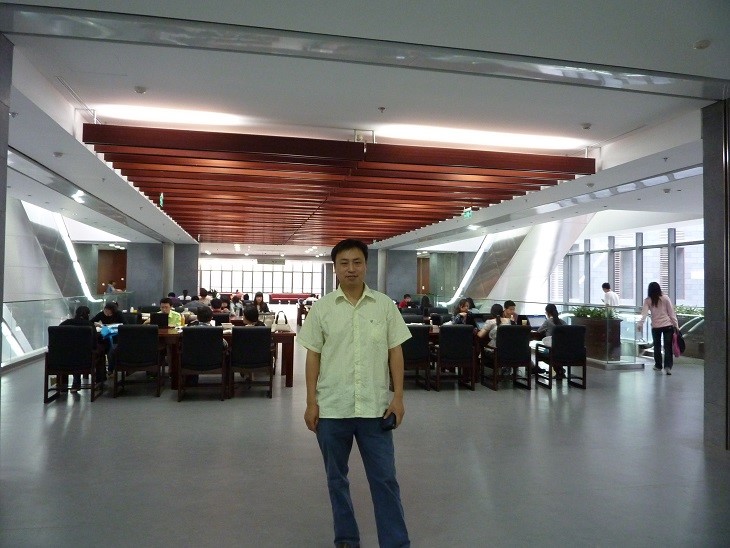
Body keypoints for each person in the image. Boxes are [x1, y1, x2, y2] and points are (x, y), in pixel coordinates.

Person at [298, 238, 411, 548]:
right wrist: (311, 402)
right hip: (332, 408)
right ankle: (347, 538)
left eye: (357, 262)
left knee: (385, 480)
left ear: (365, 265)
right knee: (337, 480)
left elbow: (395, 351)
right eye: (344, 263)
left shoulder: (384, 306)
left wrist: (398, 397)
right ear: (335, 268)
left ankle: (395, 542)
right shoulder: (322, 308)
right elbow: (313, 356)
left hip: (375, 410)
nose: (351, 268)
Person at [59, 306, 106, 392]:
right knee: (100, 351)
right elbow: (94, 344)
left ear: (76, 313)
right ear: (88, 315)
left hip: (65, 358)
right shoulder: (89, 325)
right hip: (86, 358)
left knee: (74, 354)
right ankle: (99, 381)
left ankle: (65, 385)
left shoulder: (65, 323)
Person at [637, 282, 679, 375]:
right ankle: (668, 367)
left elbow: (644, 314)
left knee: (657, 346)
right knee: (668, 347)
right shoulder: (665, 298)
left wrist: (640, 324)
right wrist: (676, 325)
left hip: (656, 326)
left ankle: (658, 365)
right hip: (668, 325)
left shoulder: (648, 300)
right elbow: (671, 313)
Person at [536, 303, 566, 377]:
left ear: (547, 312)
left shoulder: (548, 321)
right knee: (556, 353)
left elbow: (538, 331)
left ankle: (558, 369)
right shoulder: (563, 322)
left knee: (539, 352)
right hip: (563, 351)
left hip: (551, 350)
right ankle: (559, 369)